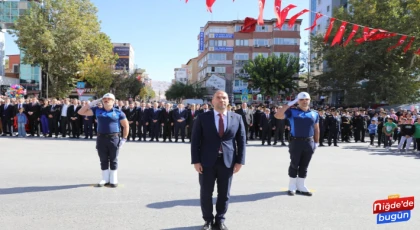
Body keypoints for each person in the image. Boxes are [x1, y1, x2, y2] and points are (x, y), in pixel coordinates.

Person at [191, 90, 246, 230]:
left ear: (228, 101)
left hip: (227, 161)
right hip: (206, 162)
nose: (222, 100)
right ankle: (208, 220)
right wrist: (196, 161)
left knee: (224, 193)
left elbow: (241, 141)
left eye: (225, 98)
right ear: (212, 101)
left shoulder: (237, 118)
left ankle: (220, 219)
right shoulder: (203, 118)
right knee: (206, 192)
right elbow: (195, 141)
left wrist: (240, 161)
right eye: (219, 98)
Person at [78, 93, 129, 187]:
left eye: (109, 99)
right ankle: (105, 179)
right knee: (103, 159)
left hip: (114, 138)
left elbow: (125, 126)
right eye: (104, 99)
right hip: (101, 138)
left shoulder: (118, 112)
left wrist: (124, 139)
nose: (106, 100)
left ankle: (113, 179)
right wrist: (93, 103)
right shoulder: (97, 110)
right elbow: (81, 112)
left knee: (113, 159)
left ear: (113, 101)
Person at [274, 92, 319, 196]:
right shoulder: (292, 111)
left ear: (309, 100)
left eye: (306, 99)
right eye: (302, 99)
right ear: (298, 101)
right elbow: (278, 115)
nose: (304, 101)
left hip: (309, 141)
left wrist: (316, 142)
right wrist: (289, 104)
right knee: (294, 163)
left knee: (305, 165)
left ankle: (301, 185)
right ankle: (292, 185)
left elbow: (316, 128)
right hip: (296, 141)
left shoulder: (314, 113)